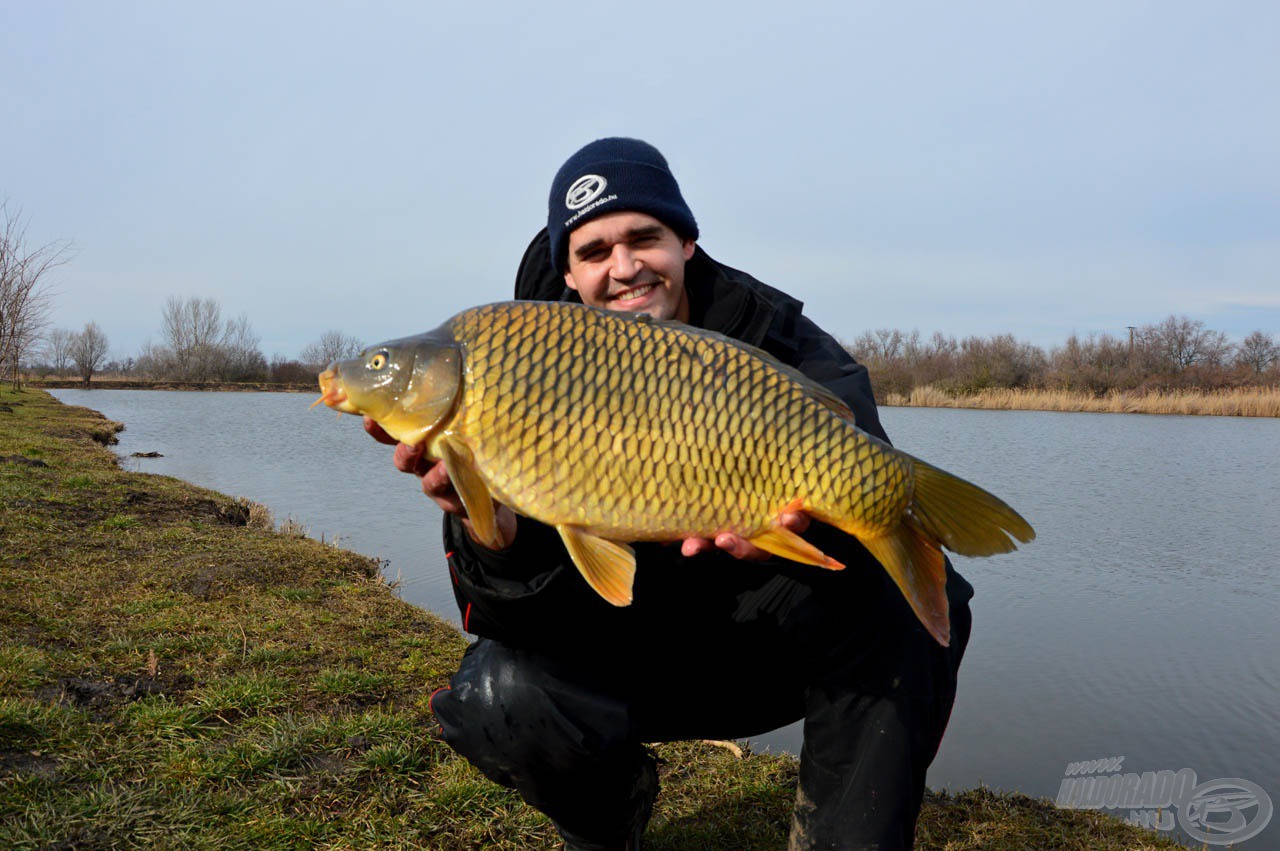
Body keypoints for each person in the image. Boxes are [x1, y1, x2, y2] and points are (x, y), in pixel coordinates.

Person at [366, 138, 974, 850]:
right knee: (499, 690)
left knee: (915, 602)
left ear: (686, 241)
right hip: (620, 657)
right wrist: (492, 536)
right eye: (594, 251)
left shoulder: (775, 337)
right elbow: (496, 612)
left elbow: (855, 442)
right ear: (568, 270)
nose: (623, 268)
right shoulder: (509, 367)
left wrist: (794, 536)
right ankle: (610, 819)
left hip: (760, 645)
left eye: (644, 238)